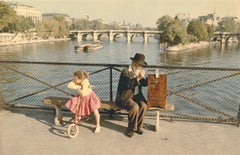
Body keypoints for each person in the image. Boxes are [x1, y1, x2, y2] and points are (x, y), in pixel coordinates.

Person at [115, 53, 148, 137]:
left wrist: (149, 76)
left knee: (143, 105)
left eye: (141, 65)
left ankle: (138, 127)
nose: (140, 67)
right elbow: (129, 85)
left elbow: (144, 84)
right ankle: (131, 128)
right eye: (139, 64)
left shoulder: (139, 71)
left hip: (136, 96)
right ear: (133, 62)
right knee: (135, 107)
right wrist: (138, 77)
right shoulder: (125, 71)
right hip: (124, 97)